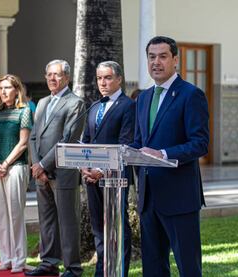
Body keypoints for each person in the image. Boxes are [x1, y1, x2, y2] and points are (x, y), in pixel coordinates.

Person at [130, 36, 209, 276]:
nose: (156, 62)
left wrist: (162, 154)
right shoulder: (143, 98)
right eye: (151, 57)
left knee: (188, 267)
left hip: (179, 197)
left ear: (175, 60)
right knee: (153, 267)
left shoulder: (190, 95)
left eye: (163, 56)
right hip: (148, 196)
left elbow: (200, 144)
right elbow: (137, 142)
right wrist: (112, 161)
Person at [27, 60, 85, 277]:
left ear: (67, 78)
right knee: (47, 218)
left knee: (67, 222)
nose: (52, 78)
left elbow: (67, 139)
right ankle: (49, 262)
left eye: (57, 75)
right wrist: (36, 165)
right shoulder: (42, 102)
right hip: (41, 172)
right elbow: (33, 136)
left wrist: (42, 164)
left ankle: (72, 268)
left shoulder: (75, 103)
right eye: (49, 74)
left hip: (63, 172)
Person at [81, 61, 134, 277]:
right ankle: (101, 271)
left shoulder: (128, 105)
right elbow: (85, 141)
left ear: (119, 79)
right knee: (99, 230)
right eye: (99, 78)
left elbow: (125, 143)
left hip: (115, 177)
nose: (103, 82)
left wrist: (101, 170)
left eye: (108, 77)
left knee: (118, 229)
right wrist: (84, 167)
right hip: (91, 178)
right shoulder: (95, 106)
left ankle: (119, 271)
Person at [0, 74, 33, 273]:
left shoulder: (24, 111)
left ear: (17, 89)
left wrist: (5, 163)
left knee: (15, 214)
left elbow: (23, 143)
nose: (3, 91)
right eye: (1, 88)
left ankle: (19, 260)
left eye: (7, 87)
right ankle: (5, 257)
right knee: (0, 214)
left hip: (16, 167)